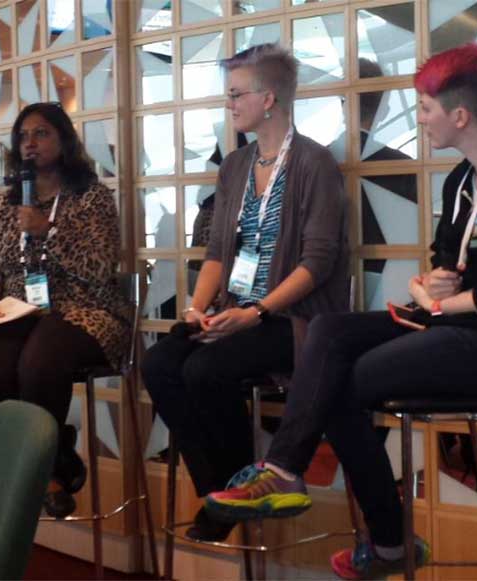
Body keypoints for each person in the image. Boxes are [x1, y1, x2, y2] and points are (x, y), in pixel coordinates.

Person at [205, 43, 477, 579]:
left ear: (459, 115)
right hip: (452, 325)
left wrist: (443, 300)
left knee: (338, 380)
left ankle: (383, 536)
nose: (419, 119)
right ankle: (290, 473)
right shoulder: (462, 179)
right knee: (329, 332)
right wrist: (431, 284)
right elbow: (448, 262)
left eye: (425, 108)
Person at [140, 43, 348, 542]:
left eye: (236, 94)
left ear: (268, 98)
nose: (229, 104)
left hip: (291, 320)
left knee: (205, 369)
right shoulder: (235, 166)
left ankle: (234, 494)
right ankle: (222, 490)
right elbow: (217, 253)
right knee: (160, 363)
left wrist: (256, 312)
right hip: (234, 312)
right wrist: (196, 309)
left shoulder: (314, 164)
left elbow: (317, 263)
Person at [0, 102, 130, 518]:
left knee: (40, 361)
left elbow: (99, 266)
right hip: (20, 311)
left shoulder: (91, 198)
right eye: (23, 136)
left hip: (84, 311)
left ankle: (42, 472)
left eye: (41, 134)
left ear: (64, 140)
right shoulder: (4, 206)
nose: (30, 144)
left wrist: (48, 231)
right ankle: (55, 457)